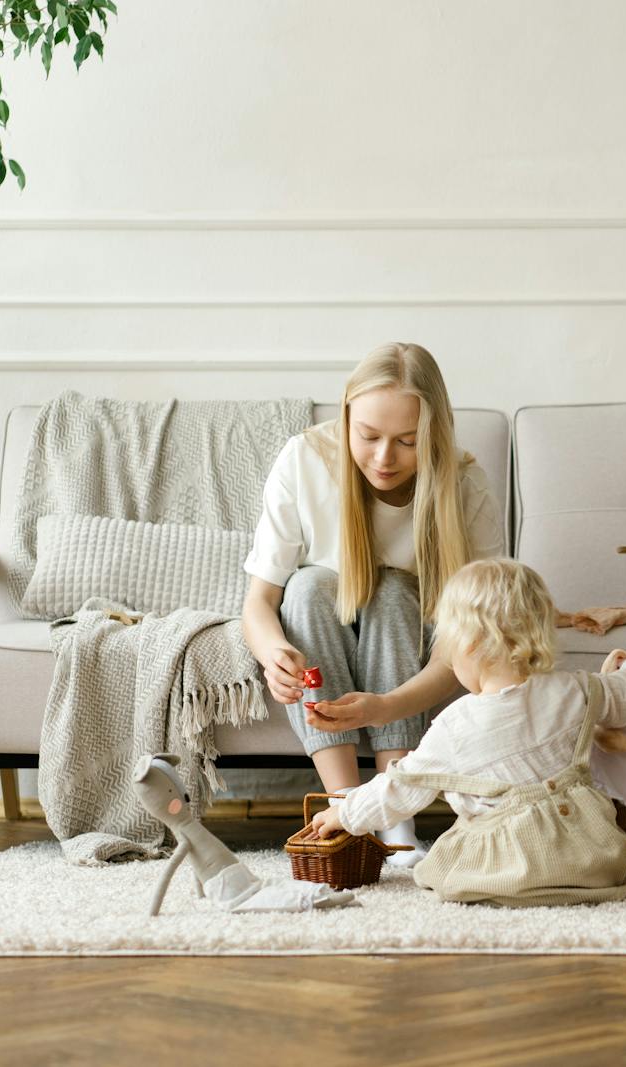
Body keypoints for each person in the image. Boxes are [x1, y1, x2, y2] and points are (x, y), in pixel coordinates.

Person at [241, 343, 504, 863]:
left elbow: (469, 638)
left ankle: (393, 817)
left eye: (407, 442)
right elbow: (259, 601)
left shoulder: (464, 483)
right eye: (368, 437)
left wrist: (386, 705)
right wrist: (273, 655)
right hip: (323, 623)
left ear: (434, 435)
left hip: (412, 637)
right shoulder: (304, 459)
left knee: (390, 590)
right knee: (310, 585)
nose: (385, 459)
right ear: (345, 420)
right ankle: (345, 809)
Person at [306, 558, 626, 905]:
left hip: (503, 873)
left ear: (470, 645)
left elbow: (399, 788)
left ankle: (506, 886)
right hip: (587, 863)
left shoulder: (455, 725)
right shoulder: (577, 690)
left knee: (443, 866)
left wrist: (344, 814)